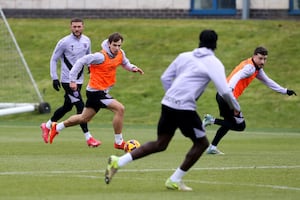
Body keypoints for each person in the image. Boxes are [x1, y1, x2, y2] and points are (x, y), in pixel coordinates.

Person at [104, 30, 242, 191]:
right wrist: (235, 108)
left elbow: (165, 78)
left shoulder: (185, 56)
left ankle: (117, 161)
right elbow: (225, 91)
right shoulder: (214, 62)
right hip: (184, 108)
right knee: (202, 143)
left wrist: (172, 96)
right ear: (215, 44)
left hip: (168, 104)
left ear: (199, 41)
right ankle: (175, 179)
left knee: (161, 143)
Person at [48, 32, 144, 150]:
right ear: (109, 44)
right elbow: (81, 61)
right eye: (115, 45)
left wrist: (133, 68)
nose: (117, 48)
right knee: (120, 109)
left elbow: (125, 63)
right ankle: (118, 142)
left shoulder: (120, 53)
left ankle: (56, 127)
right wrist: (72, 79)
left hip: (101, 91)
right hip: (96, 92)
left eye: (119, 45)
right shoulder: (100, 56)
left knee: (83, 118)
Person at [203, 46, 297, 155]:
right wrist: (230, 89)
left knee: (229, 123)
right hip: (228, 97)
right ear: (254, 56)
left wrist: (285, 91)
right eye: (260, 58)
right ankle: (211, 120)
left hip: (222, 95)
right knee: (240, 126)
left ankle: (212, 146)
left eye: (265, 59)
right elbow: (237, 76)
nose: (263, 61)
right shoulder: (250, 68)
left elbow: (268, 81)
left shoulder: (255, 68)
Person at [40, 18, 101, 147]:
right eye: (74, 26)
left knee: (67, 106)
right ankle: (88, 138)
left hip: (79, 80)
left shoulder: (87, 40)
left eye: (79, 26)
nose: (77, 29)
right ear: (71, 27)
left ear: (83, 27)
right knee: (81, 107)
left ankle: (47, 125)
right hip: (67, 80)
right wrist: (54, 77)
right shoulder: (64, 42)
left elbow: (89, 56)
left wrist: (90, 67)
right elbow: (53, 59)